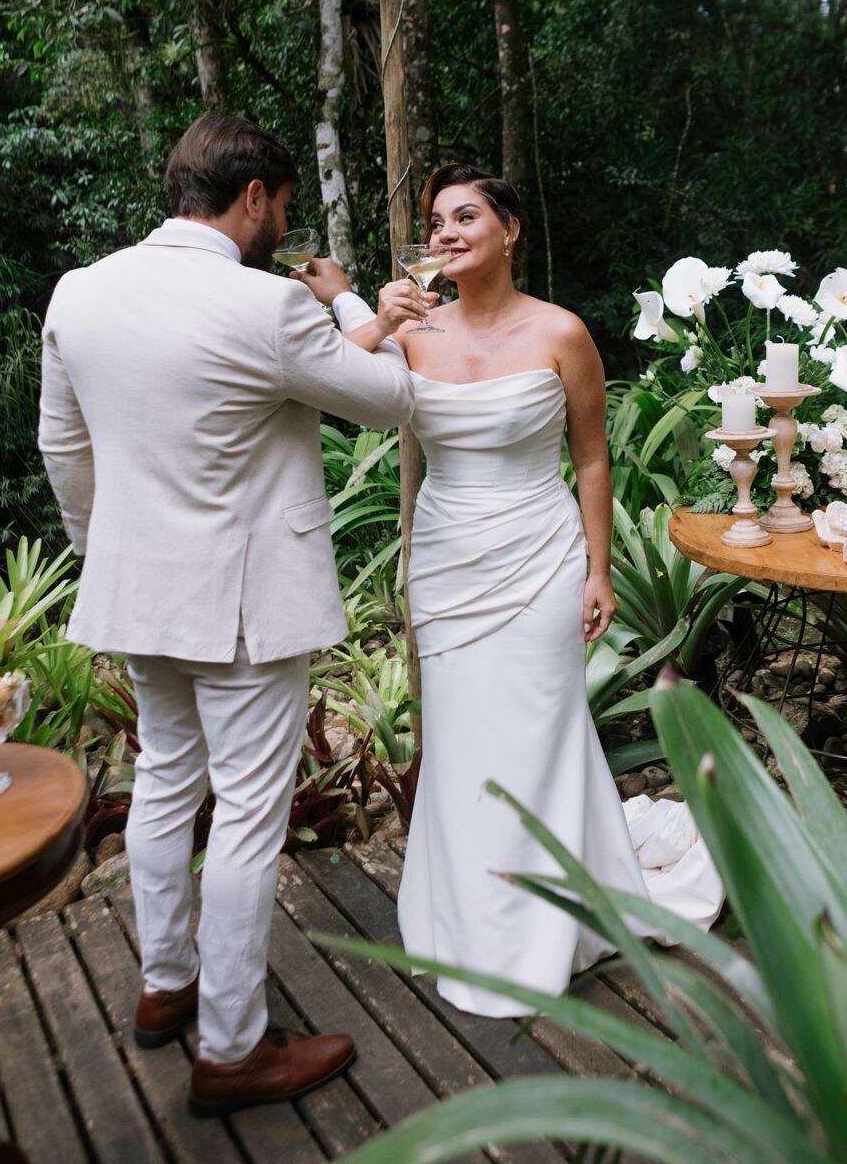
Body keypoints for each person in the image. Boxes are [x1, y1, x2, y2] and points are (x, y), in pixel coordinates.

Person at [38, 112, 415, 1115]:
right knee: (247, 813)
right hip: (247, 604)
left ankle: (166, 985)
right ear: (252, 198)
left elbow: (62, 449)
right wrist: (345, 305)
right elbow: (386, 399)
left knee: (165, 782)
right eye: (280, 207)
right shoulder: (266, 304)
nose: (279, 225)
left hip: (137, 592)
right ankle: (234, 1048)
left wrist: (103, 550)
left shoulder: (80, 292)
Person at [299, 164, 722, 1017]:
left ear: (509, 230)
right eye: (435, 222)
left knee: (536, 732)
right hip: (446, 561)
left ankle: (549, 924)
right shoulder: (414, 332)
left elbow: (592, 458)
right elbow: (335, 382)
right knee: (462, 738)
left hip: (540, 554)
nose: (445, 233)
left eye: (465, 217)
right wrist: (366, 310)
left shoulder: (560, 332)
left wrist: (598, 569)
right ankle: (471, 920)